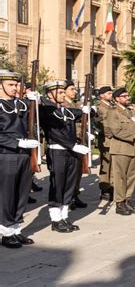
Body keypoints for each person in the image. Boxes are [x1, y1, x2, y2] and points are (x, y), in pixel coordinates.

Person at [39, 80, 90, 232]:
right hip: (58, 152)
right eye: (59, 92)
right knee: (58, 185)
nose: (62, 95)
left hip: (71, 152)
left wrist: (88, 110)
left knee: (69, 184)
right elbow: (54, 133)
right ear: (50, 94)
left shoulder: (66, 111)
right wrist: (73, 145)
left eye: (63, 92)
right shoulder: (46, 111)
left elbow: (79, 114)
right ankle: (55, 220)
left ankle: (64, 216)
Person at [0, 70, 39, 248]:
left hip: (24, 154)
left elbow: (41, 114)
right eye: (11, 85)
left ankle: (16, 228)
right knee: (6, 194)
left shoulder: (22, 104)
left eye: (16, 85)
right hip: (7, 154)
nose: (16, 88)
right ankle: (5, 231)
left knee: (22, 192)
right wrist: (18, 143)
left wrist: (36, 100)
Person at [109, 88, 135, 215]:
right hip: (121, 149)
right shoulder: (113, 112)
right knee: (120, 177)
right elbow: (116, 131)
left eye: (127, 96)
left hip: (134, 149)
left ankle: (127, 199)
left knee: (131, 177)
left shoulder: (131, 111)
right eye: (124, 96)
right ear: (117, 99)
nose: (127, 98)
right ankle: (119, 203)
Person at [62, 80, 88, 210]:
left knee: (78, 171)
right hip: (70, 140)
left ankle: (75, 194)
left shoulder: (76, 103)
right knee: (69, 172)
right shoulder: (63, 104)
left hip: (80, 140)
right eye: (72, 89)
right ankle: (68, 197)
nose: (75, 91)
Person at [95, 86, 114, 201]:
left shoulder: (112, 106)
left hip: (114, 139)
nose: (111, 95)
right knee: (106, 164)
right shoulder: (99, 107)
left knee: (112, 165)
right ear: (101, 95)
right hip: (105, 139)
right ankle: (105, 188)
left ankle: (111, 185)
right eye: (108, 93)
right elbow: (99, 123)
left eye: (111, 93)